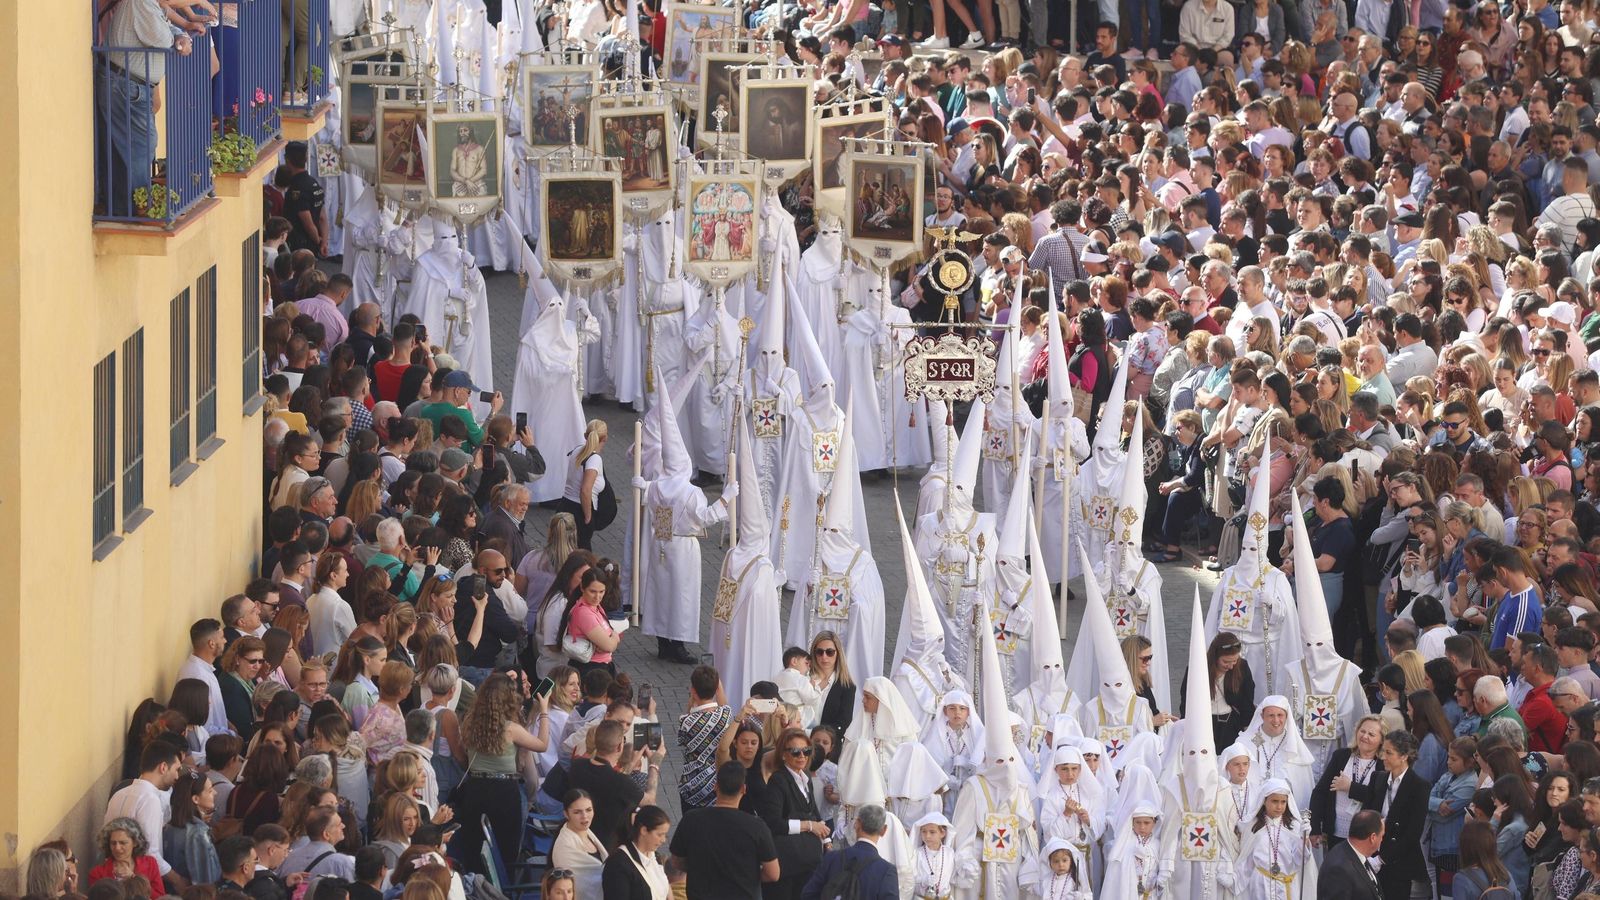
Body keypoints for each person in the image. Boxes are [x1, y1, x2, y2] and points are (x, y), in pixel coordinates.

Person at [448, 673, 551, 871]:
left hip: (475, 788)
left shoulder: (470, 721)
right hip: (504, 790)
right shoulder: (510, 729)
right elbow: (542, 745)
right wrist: (544, 711)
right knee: (507, 846)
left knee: (474, 844)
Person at [670, 761, 780, 899]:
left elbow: (676, 861)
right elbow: (773, 874)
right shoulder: (757, 826)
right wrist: (748, 877)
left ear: (715, 787)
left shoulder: (691, 819)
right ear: (744, 789)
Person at [757, 727, 831, 900]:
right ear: (783, 754)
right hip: (788, 865)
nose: (802, 756)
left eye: (806, 751)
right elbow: (773, 823)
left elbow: (813, 810)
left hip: (808, 861)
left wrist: (827, 841)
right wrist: (809, 826)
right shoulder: (778, 780)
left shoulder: (804, 778)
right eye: (796, 752)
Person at [104, 742, 184, 890]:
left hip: (112, 879)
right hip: (136, 884)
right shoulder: (150, 800)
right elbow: (150, 852)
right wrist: (177, 880)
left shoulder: (120, 793)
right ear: (163, 767)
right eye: (176, 769)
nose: (177, 776)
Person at [800, 803, 899, 900]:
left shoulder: (831, 858)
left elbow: (808, 894)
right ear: (884, 830)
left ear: (857, 824)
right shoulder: (886, 871)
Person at [600, 805, 672, 900]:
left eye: (665, 835)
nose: (663, 840)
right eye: (659, 834)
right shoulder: (618, 865)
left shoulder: (654, 856)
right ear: (644, 830)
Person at [550, 790, 607, 899]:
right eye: (577, 812)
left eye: (589, 810)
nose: (585, 816)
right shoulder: (565, 848)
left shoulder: (587, 832)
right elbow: (580, 889)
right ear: (566, 814)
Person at [89, 818, 166, 897]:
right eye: (113, 843)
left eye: (123, 843)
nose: (117, 848)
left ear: (135, 842)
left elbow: (160, 897)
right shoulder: (98, 873)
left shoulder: (150, 863)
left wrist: (133, 878)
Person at [1317, 809, 1386, 898]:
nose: (1382, 840)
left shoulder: (1356, 853)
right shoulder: (1339, 870)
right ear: (1373, 837)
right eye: (1382, 836)